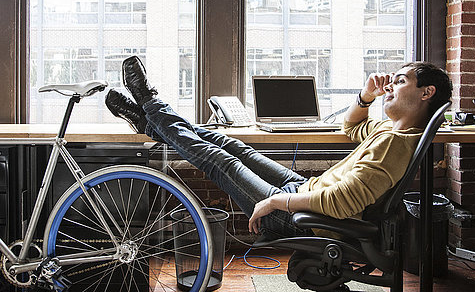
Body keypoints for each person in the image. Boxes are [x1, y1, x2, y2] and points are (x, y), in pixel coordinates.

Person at [105, 57, 452, 237]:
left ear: (426, 93)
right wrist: (366, 96)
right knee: (233, 145)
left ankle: (150, 105)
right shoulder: (395, 132)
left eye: (400, 82)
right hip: (303, 192)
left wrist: (273, 201)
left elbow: (341, 202)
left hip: (304, 217)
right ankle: (149, 122)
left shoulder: (394, 143)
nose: (389, 87)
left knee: (220, 160)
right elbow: (352, 125)